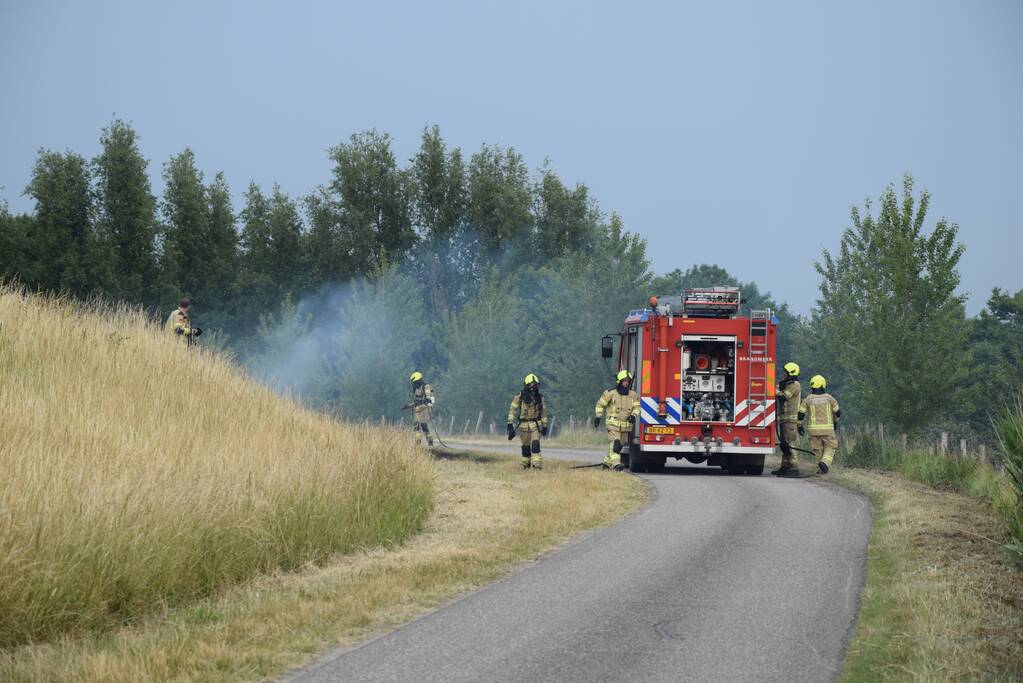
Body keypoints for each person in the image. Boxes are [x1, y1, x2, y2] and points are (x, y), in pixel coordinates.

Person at [594, 370, 641, 471]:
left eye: (628, 381)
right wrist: (598, 416)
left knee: (618, 446)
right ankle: (616, 465)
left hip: (625, 426)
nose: (626, 383)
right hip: (612, 425)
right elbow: (600, 404)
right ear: (619, 381)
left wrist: (633, 415)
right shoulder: (610, 393)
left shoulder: (633, 394)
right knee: (615, 444)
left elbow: (637, 407)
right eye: (624, 381)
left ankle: (606, 464)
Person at [798, 375, 841, 474]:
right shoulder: (830, 398)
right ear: (823, 385)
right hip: (827, 430)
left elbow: (801, 414)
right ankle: (825, 463)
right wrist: (835, 422)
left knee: (817, 449)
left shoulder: (808, 399)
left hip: (813, 430)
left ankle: (819, 468)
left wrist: (799, 425)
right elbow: (838, 412)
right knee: (830, 447)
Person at [507, 374, 549, 470]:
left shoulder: (540, 398)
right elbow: (513, 410)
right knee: (525, 448)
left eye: (535, 385)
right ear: (527, 385)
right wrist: (510, 424)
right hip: (523, 426)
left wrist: (545, 426)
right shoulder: (519, 396)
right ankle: (525, 464)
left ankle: (537, 465)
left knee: (535, 445)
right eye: (531, 384)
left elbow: (543, 412)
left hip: (535, 425)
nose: (533, 387)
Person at [772, 362, 802, 476]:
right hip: (785, 420)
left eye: (786, 372)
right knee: (784, 444)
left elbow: (783, 397)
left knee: (790, 444)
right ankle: (784, 467)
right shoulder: (788, 384)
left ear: (791, 373)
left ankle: (794, 468)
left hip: (790, 421)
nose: (784, 374)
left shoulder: (794, 385)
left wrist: (772, 389)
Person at [408, 371, 435, 447]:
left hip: (425, 408)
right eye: (413, 382)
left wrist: (420, 402)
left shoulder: (426, 387)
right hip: (418, 409)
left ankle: (430, 442)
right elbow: (416, 400)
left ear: (419, 380)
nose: (414, 384)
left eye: (415, 382)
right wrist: (409, 405)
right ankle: (418, 441)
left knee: (423, 426)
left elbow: (428, 400)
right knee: (416, 425)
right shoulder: (416, 389)